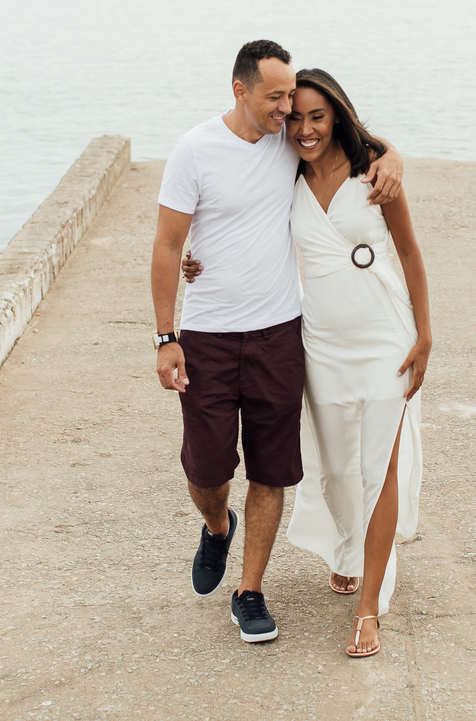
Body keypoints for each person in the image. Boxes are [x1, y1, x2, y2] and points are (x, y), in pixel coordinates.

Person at [149, 41, 403, 645]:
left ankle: (250, 590)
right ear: (240, 91)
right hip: (208, 335)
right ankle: (217, 526)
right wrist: (166, 337)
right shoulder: (194, 150)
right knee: (207, 469)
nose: (288, 110)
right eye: (276, 97)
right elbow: (167, 245)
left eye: (291, 96)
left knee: (272, 469)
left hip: (280, 332)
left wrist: (394, 154)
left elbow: (348, 138)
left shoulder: (288, 142)